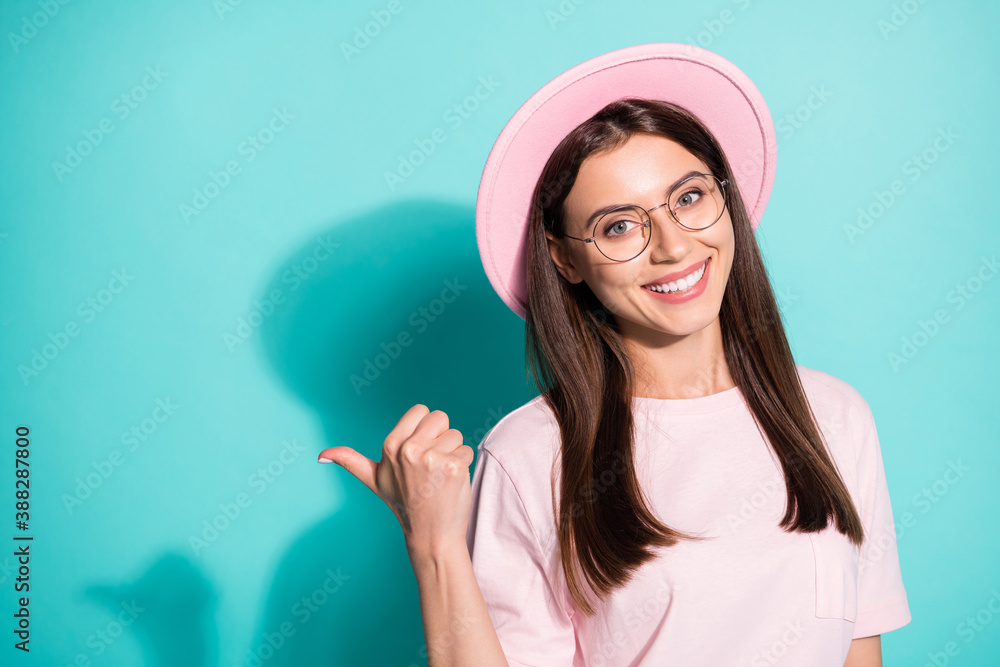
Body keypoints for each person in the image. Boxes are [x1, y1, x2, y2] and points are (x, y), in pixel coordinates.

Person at [317, 43, 911, 666]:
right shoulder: (530, 458)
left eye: (688, 198)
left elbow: (857, 652)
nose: (674, 247)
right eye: (619, 226)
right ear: (564, 257)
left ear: (725, 201)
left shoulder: (835, 416)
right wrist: (434, 543)